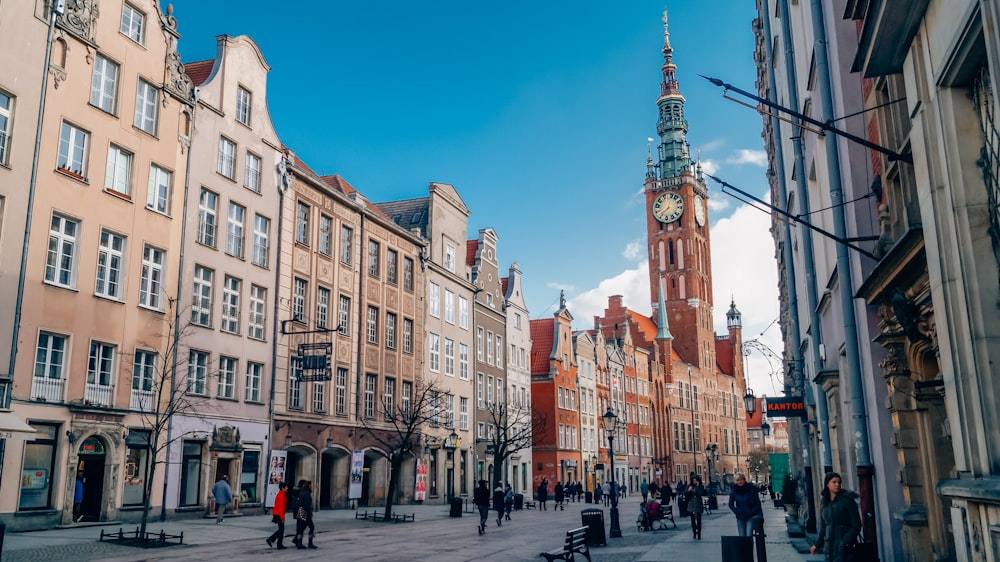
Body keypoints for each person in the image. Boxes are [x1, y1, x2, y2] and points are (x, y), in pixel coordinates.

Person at [810, 472, 862, 562]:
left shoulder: (847, 500)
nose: (837, 485)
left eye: (839, 482)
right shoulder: (824, 503)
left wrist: (844, 541)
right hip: (829, 548)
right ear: (827, 484)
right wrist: (817, 545)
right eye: (834, 482)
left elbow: (856, 525)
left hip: (846, 548)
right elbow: (823, 527)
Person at [729, 472, 764, 538]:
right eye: (738, 480)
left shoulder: (750, 489)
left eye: (741, 479)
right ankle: (744, 548)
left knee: (749, 535)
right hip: (740, 516)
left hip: (750, 516)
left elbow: (757, 503)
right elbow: (730, 504)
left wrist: (752, 511)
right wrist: (736, 511)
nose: (740, 482)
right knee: (742, 536)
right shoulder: (734, 491)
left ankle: (750, 548)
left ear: (744, 480)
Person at [294, 480, 316, 549]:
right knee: (311, 527)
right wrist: (310, 512)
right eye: (311, 485)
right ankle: (309, 543)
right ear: (308, 486)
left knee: (301, 528)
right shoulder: (306, 493)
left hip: (301, 511)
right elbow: (306, 504)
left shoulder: (302, 492)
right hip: (304, 512)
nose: (312, 486)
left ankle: (299, 543)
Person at [266, 482, 289, 549]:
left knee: (281, 530)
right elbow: (281, 507)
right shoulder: (281, 496)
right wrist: (282, 518)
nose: (287, 488)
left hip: (278, 514)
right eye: (286, 487)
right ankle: (275, 542)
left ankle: (274, 541)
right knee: (281, 530)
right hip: (279, 514)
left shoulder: (281, 494)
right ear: (283, 488)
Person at [685, 475, 706, 540]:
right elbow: (686, 494)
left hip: (698, 504)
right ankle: (694, 532)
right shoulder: (690, 486)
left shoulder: (700, 486)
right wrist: (688, 491)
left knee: (699, 520)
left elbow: (700, 493)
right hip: (691, 504)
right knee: (693, 520)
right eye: (693, 480)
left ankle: (699, 532)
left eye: (695, 480)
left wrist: (697, 487)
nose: (694, 481)